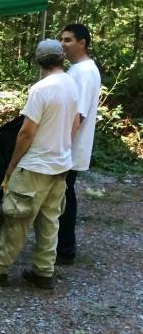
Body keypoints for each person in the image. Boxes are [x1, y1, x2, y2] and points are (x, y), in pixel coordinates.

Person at [0, 39, 79, 289]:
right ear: (61, 58)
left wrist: (11, 166)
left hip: (35, 166)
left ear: (38, 60)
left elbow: (26, 132)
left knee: (15, 219)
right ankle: (43, 271)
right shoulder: (71, 84)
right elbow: (76, 123)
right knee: (50, 221)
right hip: (60, 165)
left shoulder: (41, 89)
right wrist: (65, 150)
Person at [57, 23, 101, 265]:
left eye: (68, 40)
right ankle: (59, 245)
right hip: (67, 147)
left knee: (63, 197)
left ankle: (65, 249)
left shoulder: (85, 72)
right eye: (61, 39)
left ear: (82, 43)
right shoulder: (77, 69)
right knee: (62, 195)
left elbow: (78, 115)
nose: (62, 44)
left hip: (69, 148)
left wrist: (62, 148)